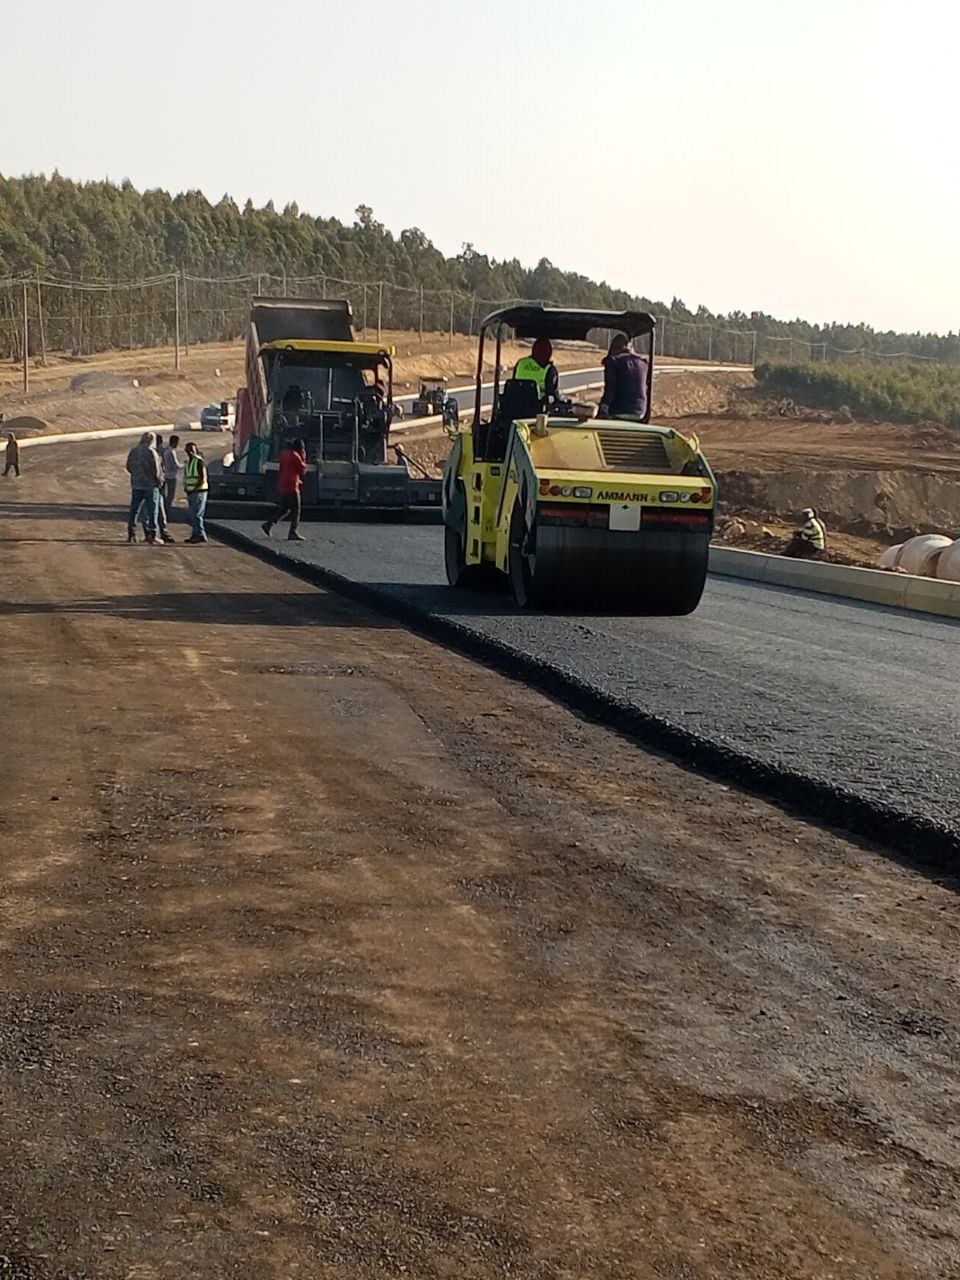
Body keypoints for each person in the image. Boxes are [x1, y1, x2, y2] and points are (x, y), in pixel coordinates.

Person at [261, 437, 307, 542]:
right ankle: (292, 532)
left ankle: (269, 524)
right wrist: (303, 458)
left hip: (283, 485)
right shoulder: (296, 456)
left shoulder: (285, 454)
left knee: (285, 508)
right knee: (296, 510)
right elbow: (302, 471)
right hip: (292, 486)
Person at [125, 431, 163, 543]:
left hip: (136, 484)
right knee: (152, 511)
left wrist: (136, 475)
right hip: (150, 485)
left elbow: (128, 466)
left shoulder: (134, 450)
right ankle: (152, 534)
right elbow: (156, 471)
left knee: (134, 509)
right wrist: (159, 481)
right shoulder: (152, 452)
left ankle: (131, 533)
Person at [599, 334, 648, 419]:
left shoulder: (613, 361)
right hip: (640, 411)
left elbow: (610, 388)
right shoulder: (643, 363)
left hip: (619, 410)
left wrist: (603, 407)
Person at [513, 338, 559, 403]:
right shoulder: (550, 369)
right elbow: (552, 394)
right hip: (538, 407)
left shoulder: (520, 363)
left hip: (515, 404)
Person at [183, 440, 209, 544]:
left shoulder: (198, 461)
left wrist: (195, 488)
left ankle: (201, 535)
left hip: (199, 491)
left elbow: (202, 477)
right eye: (188, 450)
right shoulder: (189, 462)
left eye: (191, 450)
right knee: (193, 515)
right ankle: (195, 534)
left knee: (197, 515)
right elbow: (187, 477)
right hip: (191, 492)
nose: (189, 452)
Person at [161, 434, 183, 513]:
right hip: (172, 476)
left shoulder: (166, 450)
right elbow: (176, 465)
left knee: (165, 494)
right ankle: (167, 510)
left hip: (165, 474)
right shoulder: (172, 452)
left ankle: (164, 509)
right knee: (171, 495)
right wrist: (185, 465)